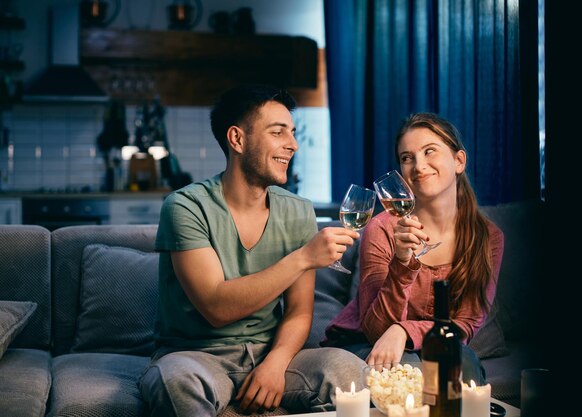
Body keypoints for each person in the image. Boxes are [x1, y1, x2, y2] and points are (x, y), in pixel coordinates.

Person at [139, 84, 367, 417]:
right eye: (278, 133)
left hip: (271, 352)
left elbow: (299, 311)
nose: (292, 144)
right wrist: (303, 257)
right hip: (198, 357)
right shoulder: (185, 207)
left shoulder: (298, 210)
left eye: (292, 133)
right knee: (175, 383)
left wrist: (275, 363)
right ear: (237, 139)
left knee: (349, 372)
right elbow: (216, 307)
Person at [321, 112, 504, 384]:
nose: (418, 166)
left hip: (431, 344)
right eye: (407, 158)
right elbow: (375, 330)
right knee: (409, 372)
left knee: (462, 364)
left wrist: (404, 331)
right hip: (364, 342)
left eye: (430, 151)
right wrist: (402, 263)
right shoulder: (382, 229)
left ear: (459, 161)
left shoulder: (488, 237)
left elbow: (465, 325)